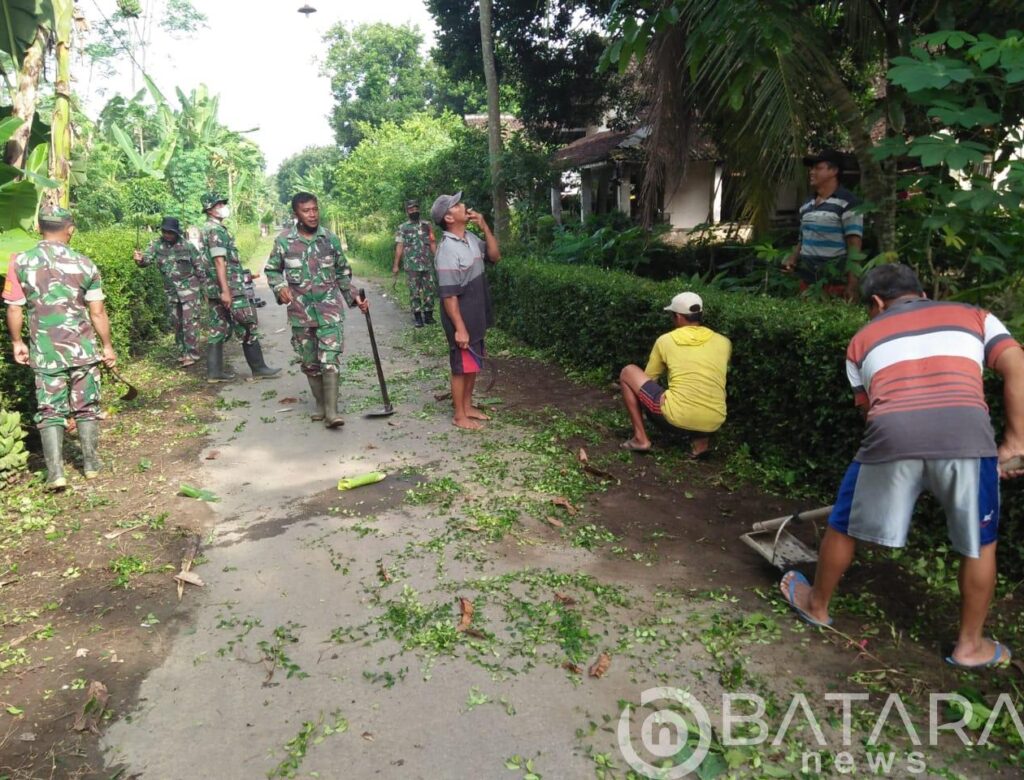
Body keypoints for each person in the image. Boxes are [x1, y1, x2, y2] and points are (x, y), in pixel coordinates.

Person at [780, 264, 1024, 669]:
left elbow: (871, 412)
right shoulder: (975, 316)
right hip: (968, 441)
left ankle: (817, 604)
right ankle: (970, 646)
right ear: (922, 292)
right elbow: (1015, 362)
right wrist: (1016, 441)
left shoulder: (861, 340)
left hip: (892, 439)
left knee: (844, 523)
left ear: (875, 303)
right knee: (980, 543)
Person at [2, 205, 117, 489]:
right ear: (70, 229)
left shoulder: (19, 262)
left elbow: (14, 309)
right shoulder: (85, 263)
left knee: (50, 410)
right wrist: (107, 346)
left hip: (45, 352)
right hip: (83, 350)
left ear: (38, 228)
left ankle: (56, 473)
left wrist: (18, 342)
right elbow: (98, 312)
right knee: (87, 406)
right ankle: (90, 464)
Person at [264, 192, 368, 428]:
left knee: (330, 359)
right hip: (301, 313)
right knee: (310, 362)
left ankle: (332, 412)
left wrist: (355, 298)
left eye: (315, 209)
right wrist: (280, 287)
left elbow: (342, 273)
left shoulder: (329, 240)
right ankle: (320, 404)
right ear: (296, 215)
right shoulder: (284, 242)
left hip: (329, 309)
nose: (312, 215)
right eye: (306, 211)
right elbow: (271, 270)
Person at [618, 292, 731, 458]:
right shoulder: (724, 342)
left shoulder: (665, 340)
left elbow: (649, 379)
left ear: (678, 316)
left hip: (675, 418)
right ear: (700, 315)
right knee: (705, 386)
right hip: (715, 421)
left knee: (628, 372)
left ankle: (640, 439)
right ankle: (700, 445)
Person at [431, 192, 500, 430]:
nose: (464, 206)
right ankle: (459, 415)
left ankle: (468, 406)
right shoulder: (447, 250)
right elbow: (448, 294)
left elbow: (495, 256)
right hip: (460, 318)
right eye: (457, 205)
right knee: (461, 367)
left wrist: (485, 226)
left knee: (472, 363)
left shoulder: (469, 237)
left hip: (476, 313)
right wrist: (459, 328)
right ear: (449, 217)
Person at [199, 192, 279, 382]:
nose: (222, 207)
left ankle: (214, 372)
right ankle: (259, 368)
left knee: (218, 328)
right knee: (248, 324)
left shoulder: (210, 229)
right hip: (229, 289)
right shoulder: (215, 231)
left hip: (216, 288)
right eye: (218, 205)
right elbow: (219, 262)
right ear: (209, 209)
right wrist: (226, 291)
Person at [782, 149, 863, 299]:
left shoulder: (848, 203)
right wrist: (793, 258)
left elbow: (854, 244)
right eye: (811, 168)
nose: (811, 172)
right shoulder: (807, 204)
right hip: (807, 280)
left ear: (834, 171)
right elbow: (802, 238)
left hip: (834, 282)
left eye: (818, 168)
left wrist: (852, 285)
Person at [133, 216, 204, 367]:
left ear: (176, 232)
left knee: (190, 322)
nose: (167, 235)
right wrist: (139, 259)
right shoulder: (156, 245)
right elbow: (145, 261)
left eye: (170, 232)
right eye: (165, 231)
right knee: (177, 323)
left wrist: (206, 289)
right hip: (171, 292)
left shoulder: (187, 246)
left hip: (190, 290)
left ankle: (192, 354)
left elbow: (200, 267)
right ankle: (183, 352)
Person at [392, 199, 437, 328]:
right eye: (411, 209)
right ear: (407, 212)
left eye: (416, 208)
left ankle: (428, 316)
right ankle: (417, 317)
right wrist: (396, 265)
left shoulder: (427, 225)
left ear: (419, 209)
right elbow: (400, 246)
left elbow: (432, 242)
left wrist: (438, 258)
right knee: (414, 291)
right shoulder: (403, 228)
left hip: (427, 264)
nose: (414, 211)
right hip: (411, 266)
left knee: (429, 290)